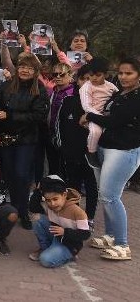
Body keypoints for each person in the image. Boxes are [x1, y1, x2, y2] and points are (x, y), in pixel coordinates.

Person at [79, 57, 140, 260]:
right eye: (121, 73)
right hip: (106, 147)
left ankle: (122, 245)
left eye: (129, 73)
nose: (123, 77)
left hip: (124, 151)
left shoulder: (136, 97)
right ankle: (110, 236)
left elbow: (114, 121)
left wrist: (89, 117)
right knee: (107, 195)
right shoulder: (120, 93)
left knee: (110, 196)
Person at [0, 55, 49, 229]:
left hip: (26, 139)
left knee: (22, 175)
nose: (25, 70)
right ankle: (13, 210)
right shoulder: (6, 86)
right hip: (6, 137)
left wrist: (10, 115)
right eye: (22, 67)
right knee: (8, 174)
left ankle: (23, 211)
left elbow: (39, 116)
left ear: (35, 71)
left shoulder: (39, 88)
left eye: (29, 68)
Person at [54, 65, 98, 229]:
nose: (87, 82)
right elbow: (59, 126)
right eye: (83, 79)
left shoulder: (99, 104)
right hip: (71, 153)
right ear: (77, 81)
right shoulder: (68, 100)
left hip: (91, 154)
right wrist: (62, 147)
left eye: (90, 79)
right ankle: (75, 216)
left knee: (92, 186)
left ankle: (90, 218)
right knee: (73, 185)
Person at [28, 175, 90, 267]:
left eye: (55, 199)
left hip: (69, 244)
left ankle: (69, 256)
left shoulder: (77, 211)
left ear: (64, 195)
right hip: (56, 236)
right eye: (48, 200)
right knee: (36, 218)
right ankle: (45, 248)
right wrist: (38, 191)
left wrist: (65, 232)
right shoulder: (49, 205)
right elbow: (33, 208)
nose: (52, 203)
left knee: (45, 260)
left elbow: (86, 234)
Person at [79, 57, 119, 168]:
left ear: (105, 75)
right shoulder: (86, 87)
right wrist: (99, 117)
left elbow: (119, 96)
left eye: (98, 75)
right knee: (95, 132)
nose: (94, 78)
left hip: (107, 116)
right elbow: (86, 106)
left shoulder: (111, 86)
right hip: (93, 116)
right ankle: (91, 153)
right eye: (91, 75)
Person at [45, 62, 74, 175]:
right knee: (53, 166)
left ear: (70, 75)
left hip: (66, 136)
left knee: (64, 168)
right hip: (51, 133)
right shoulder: (52, 91)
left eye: (61, 74)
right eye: (55, 74)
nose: (57, 77)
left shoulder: (73, 93)